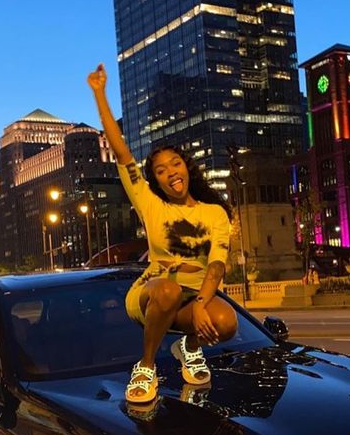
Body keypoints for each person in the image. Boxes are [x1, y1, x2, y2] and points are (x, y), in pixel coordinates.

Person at [87, 64, 238, 403]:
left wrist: (201, 303)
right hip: (153, 291)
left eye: (175, 164)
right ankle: (146, 366)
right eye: (160, 170)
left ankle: (189, 346)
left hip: (192, 297)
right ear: (154, 181)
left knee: (227, 323)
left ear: (186, 166)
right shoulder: (151, 205)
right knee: (168, 291)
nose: (170, 172)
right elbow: (123, 153)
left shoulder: (214, 213)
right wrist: (99, 94)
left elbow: (217, 264)